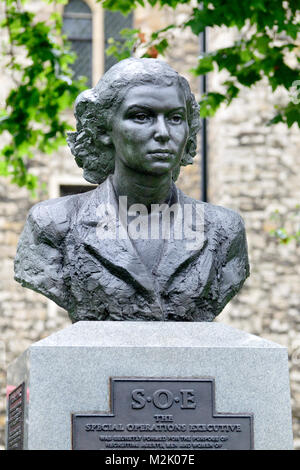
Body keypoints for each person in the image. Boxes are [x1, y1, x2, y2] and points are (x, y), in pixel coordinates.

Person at [14, 58, 249, 322]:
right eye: (141, 116)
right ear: (104, 129)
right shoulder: (51, 226)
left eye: (174, 118)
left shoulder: (224, 230)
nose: (162, 132)